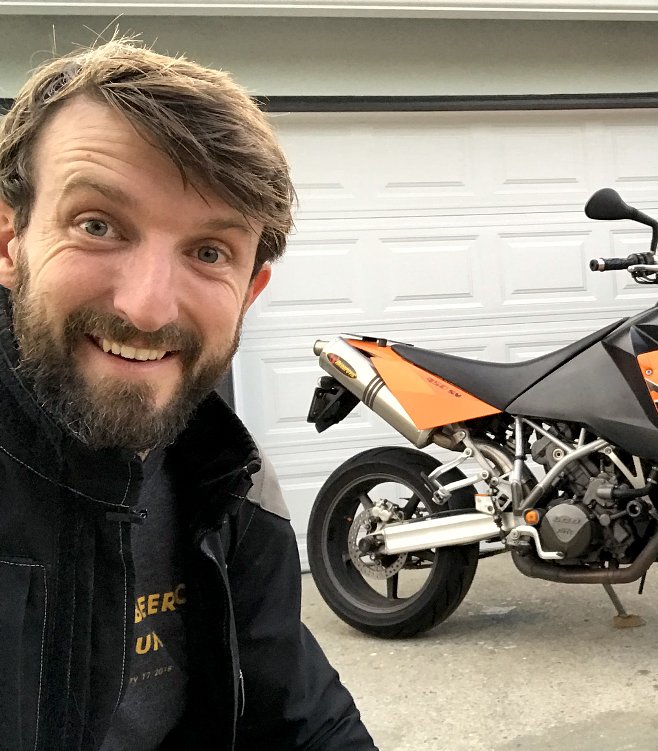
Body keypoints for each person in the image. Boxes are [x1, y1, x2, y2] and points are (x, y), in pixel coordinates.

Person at [0, 40, 377, 750]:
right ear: (9, 239)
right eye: (97, 225)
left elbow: (299, 716)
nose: (147, 309)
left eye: (209, 252)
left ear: (249, 292)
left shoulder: (232, 481)